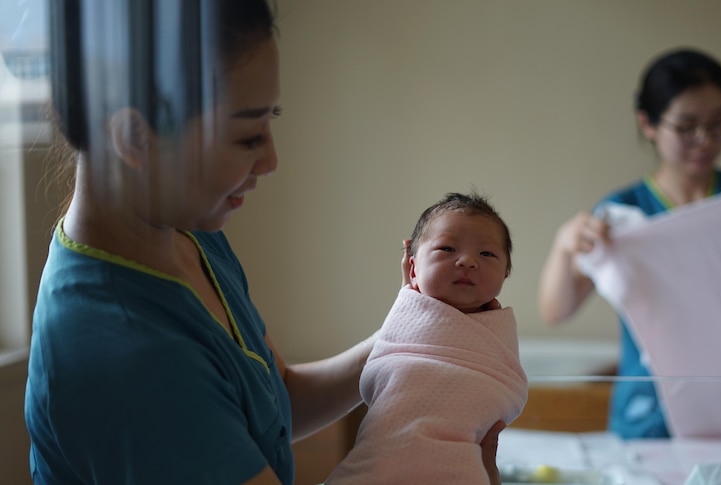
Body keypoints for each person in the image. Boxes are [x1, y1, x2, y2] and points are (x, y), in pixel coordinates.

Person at [23, 1, 504, 484]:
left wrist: (421, 331)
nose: (271, 160)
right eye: (247, 136)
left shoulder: (183, 232)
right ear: (134, 137)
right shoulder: (134, 362)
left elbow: (277, 400)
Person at [537, 48, 721, 440]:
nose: (704, 140)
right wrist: (564, 246)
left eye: (718, 123)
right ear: (648, 123)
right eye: (686, 126)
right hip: (648, 416)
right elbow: (556, 310)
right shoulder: (620, 214)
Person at [326, 192, 528, 484]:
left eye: (486, 254)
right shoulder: (406, 313)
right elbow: (385, 368)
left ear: (506, 273)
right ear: (412, 268)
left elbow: (506, 388)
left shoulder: (498, 333)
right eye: (447, 248)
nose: (468, 261)